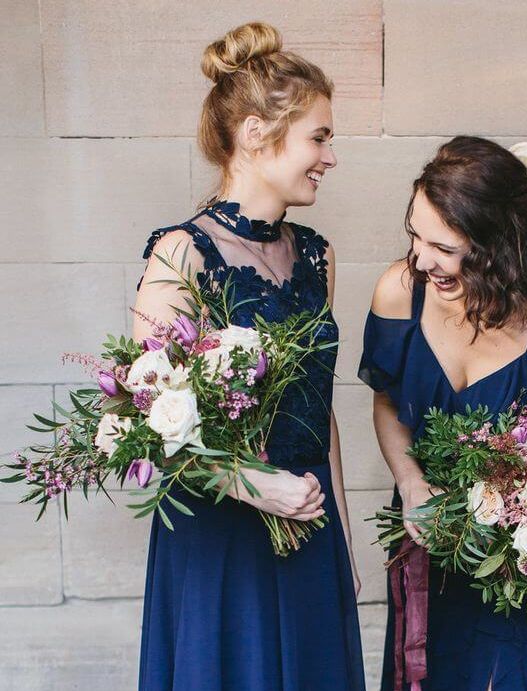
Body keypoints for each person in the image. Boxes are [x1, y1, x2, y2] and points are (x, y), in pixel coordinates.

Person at [133, 21, 364, 691]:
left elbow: (320, 413)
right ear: (257, 134)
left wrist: (340, 539)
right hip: (223, 540)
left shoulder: (317, 255)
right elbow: (147, 425)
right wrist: (255, 484)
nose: (330, 156)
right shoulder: (181, 254)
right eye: (319, 137)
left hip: (308, 522)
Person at [359, 136, 527, 691]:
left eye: (442, 246)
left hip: (509, 571)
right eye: (415, 235)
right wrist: (410, 482)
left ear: (498, 247)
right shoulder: (401, 292)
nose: (421, 259)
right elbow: (389, 399)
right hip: (422, 536)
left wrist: (511, 523)